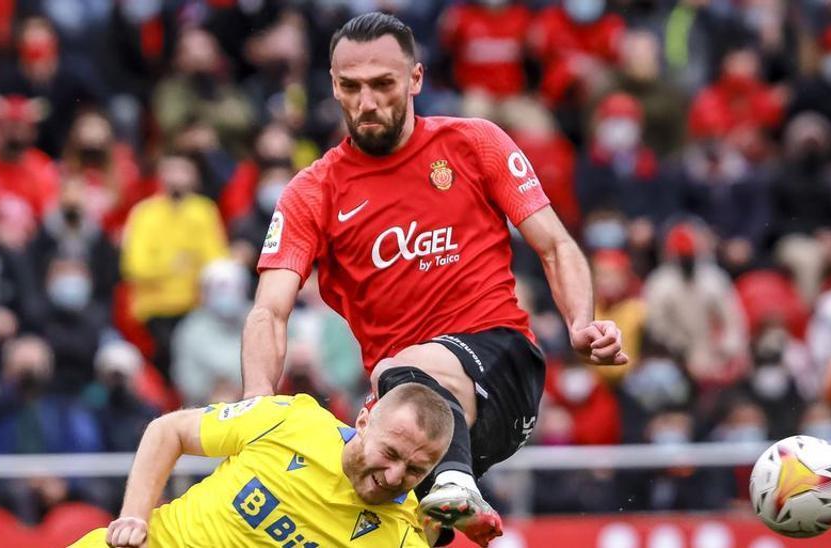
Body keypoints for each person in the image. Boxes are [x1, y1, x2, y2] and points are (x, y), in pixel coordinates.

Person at [239, 13, 627, 546]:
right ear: (333, 84)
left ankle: (453, 483)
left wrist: (581, 322)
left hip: (500, 366)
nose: (366, 102)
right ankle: (437, 509)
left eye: (383, 84)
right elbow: (269, 311)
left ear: (416, 79)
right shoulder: (313, 193)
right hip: (401, 412)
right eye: (350, 87)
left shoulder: (474, 143)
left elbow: (556, 245)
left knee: (404, 370)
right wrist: (256, 404)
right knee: (345, 498)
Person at [69, 384, 454, 547]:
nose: (394, 477)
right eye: (389, 454)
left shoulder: (401, 537)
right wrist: (135, 517)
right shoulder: (291, 418)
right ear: (363, 422)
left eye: (414, 471)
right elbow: (169, 430)